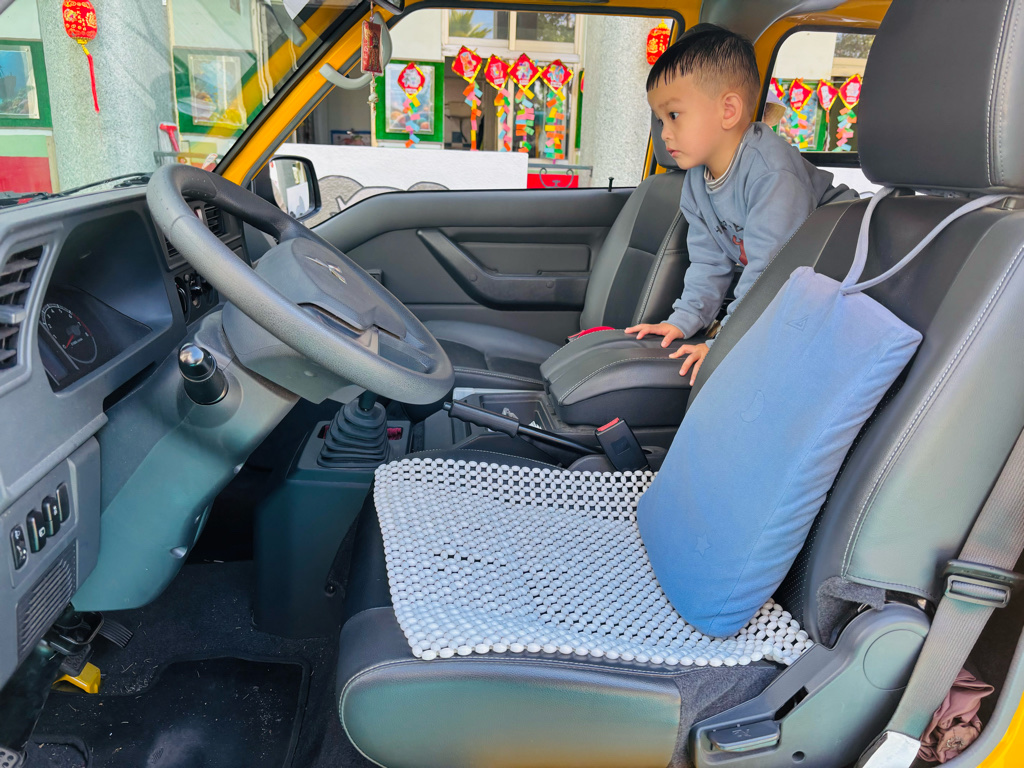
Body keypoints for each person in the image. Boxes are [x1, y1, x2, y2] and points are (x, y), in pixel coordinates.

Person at [626, 26, 851, 384]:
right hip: (787, 281)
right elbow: (708, 262)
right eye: (659, 119)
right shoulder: (697, 181)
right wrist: (682, 321)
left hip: (840, 271)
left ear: (728, 110)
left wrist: (722, 343)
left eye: (674, 115)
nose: (664, 133)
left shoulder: (770, 172)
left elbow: (772, 272)